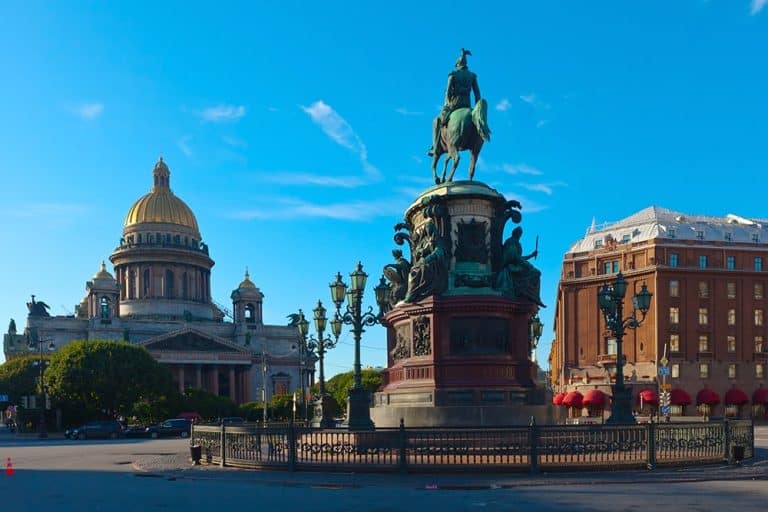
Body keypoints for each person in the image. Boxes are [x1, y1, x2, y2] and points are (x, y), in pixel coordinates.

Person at [428, 48, 482, 157]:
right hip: (467, 105)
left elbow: (447, 91)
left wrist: (447, 104)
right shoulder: (472, 76)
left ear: (457, 65)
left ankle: (435, 148)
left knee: (436, 121)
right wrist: (476, 108)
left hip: (454, 105)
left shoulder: (453, 74)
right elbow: (477, 94)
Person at [495, 226, 545, 306]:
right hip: (511, 266)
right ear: (517, 234)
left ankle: (531, 295)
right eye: (520, 234)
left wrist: (531, 255)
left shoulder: (515, 242)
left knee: (536, 272)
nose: (520, 236)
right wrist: (527, 264)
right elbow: (515, 257)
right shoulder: (511, 242)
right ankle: (527, 294)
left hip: (516, 265)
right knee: (536, 273)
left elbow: (518, 257)